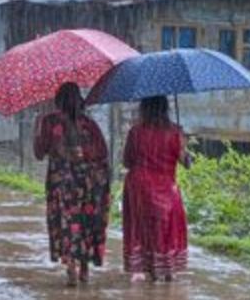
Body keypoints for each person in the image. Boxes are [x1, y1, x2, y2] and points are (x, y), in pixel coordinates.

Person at [33, 82, 111, 286]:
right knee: (85, 222)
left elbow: (39, 154)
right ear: (80, 101)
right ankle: (84, 268)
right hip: (85, 184)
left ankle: (71, 269)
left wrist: (37, 129)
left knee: (66, 222)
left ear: (58, 100)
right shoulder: (89, 125)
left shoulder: (50, 123)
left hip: (60, 184)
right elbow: (102, 156)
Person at [121, 96, 189, 283]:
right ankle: (166, 269)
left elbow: (127, 161)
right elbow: (186, 163)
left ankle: (145, 267)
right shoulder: (175, 132)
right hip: (167, 187)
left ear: (144, 108)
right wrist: (183, 144)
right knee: (167, 227)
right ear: (166, 108)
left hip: (139, 186)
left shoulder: (135, 132)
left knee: (141, 227)